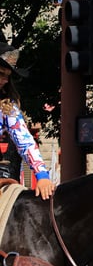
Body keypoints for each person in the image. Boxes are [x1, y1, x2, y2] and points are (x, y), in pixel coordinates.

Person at [0, 38, 55, 199]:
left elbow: (25, 141)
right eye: (1, 74)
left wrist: (42, 175)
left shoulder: (7, 107)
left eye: (7, 76)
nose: (4, 81)